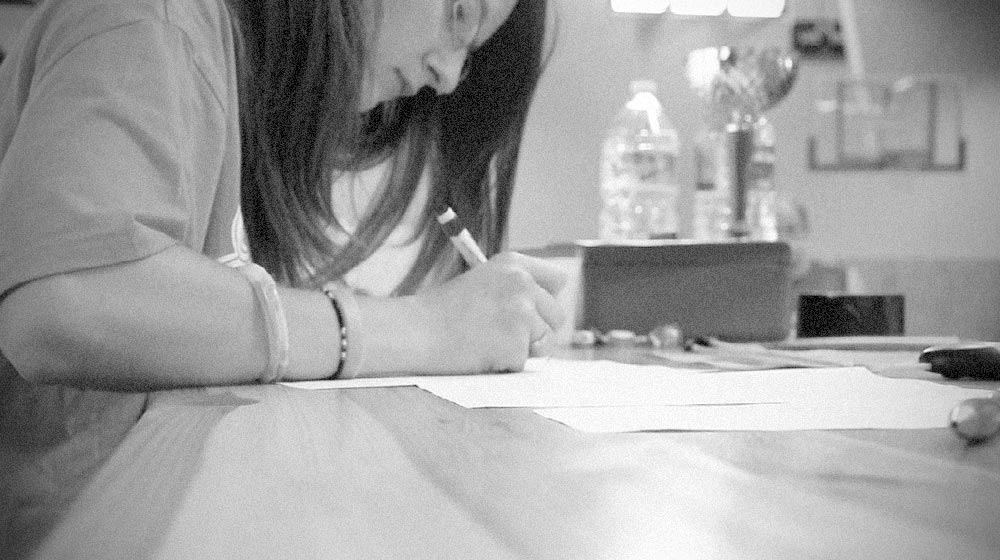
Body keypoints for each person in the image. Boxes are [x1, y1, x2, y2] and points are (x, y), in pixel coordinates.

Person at [0, 0, 566, 392]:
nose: (448, 76)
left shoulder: (229, 62)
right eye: (459, 14)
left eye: (470, 53)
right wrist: (424, 329)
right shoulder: (153, 20)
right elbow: (63, 304)